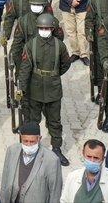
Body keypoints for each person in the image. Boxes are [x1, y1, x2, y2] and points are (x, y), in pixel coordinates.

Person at [15, 13, 72, 164]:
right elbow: (25, 69)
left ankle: (57, 149)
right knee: (32, 121)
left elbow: (66, 64)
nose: (45, 30)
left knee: (55, 121)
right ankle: (31, 147)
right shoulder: (30, 45)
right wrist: (21, 88)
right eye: (42, 28)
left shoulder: (60, 45)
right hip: (35, 89)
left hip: (53, 89)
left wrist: (54, 74)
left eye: (47, 28)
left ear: (52, 29)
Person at [0, 122, 62, 203]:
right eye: (25, 141)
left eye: (32, 142)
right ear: (21, 138)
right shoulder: (12, 151)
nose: (28, 145)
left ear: (39, 138)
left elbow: (55, 193)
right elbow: (5, 180)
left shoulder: (51, 160)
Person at [60, 138, 108, 203]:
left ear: (103, 159)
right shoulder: (72, 177)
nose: (92, 161)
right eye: (89, 157)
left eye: (96, 158)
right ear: (83, 154)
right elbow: (64, 200)